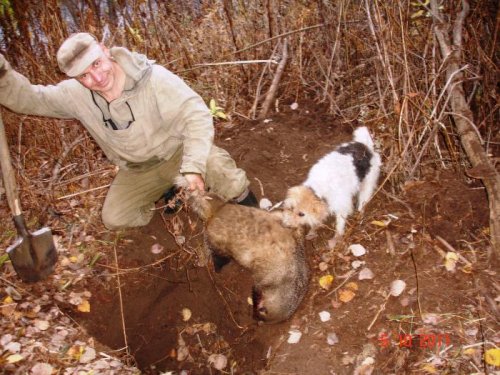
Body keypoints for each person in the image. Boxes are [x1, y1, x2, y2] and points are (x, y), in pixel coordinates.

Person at [0, 32, 257, 229]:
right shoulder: (75, 95)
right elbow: (32, 99)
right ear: (75, 78)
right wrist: (2, 75)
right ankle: (170, 192)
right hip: (138, 169)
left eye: (97, 64)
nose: (97, 78)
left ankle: (254, 210)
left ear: (104, 49)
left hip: (176, 154)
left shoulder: (153, 78)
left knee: (218, 169)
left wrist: (192, 167)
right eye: (85, 76)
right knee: (114, 218)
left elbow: (197, 116)